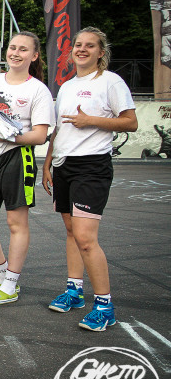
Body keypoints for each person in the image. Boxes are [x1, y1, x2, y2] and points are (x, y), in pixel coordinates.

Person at [43, 27, 138, 331]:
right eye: (78, 45)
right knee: (72, 232)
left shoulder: (111, 82)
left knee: (85, 238)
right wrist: (47, 164)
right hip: (63, 165)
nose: (82, 49)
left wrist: (90, 120)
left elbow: (131, 122)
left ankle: (105, 305)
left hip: (92, 166)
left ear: (101, 52)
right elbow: (58, 130)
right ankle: (74, 291)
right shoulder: (68, 85)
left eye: (90, 46)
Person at [0, 32, 54, 305]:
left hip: (16, 157)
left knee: (17, 223)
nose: (16, 53)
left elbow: (40, 136)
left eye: (23, 49)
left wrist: (7, 137)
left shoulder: (38, 89)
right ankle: (2, 275)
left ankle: (11, 284)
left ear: (34, 56)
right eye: (12, 47)